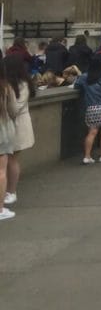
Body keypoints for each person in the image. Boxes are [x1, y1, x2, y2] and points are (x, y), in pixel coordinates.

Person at [2, 55, 35, 207]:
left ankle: (11, 191)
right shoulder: (9, 83)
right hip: (9, 124)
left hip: (18, 124)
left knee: (12, 159)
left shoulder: (22, 85)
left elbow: (15, 109)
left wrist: (8, 99)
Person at [0, 66, 17, 221]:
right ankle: (0, 209)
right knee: (1, 172)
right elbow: (13, 110)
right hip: (2, 131)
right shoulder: (6, 87)